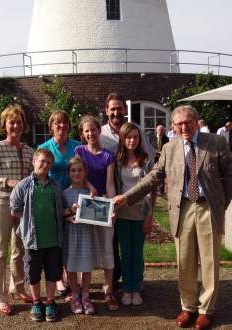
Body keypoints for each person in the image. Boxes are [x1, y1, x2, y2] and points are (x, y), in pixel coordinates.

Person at [114, 105, 232, 330]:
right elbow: (153, 177)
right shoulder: (170, 148)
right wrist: (127, 197)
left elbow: (229, 175)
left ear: (196, 121)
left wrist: (222, 204)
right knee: (184, 261)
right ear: (173, 127)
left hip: (208, 207)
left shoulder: (215, 142)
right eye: (178, 124)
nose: (183, 127)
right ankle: (188, 307)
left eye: (187, 122)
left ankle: (206, 310)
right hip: (182, 208)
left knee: (209, 262)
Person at [0, 104, 33, 316]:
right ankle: (1, 297)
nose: (16, 125)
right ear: (5, 126)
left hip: (22, 206)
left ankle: (17, 287)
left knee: (20, 249)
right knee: (0, 252)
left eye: (19, 122)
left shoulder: (29, 150)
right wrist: (7, 181)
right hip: (1, 203)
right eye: (12, 122)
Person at [99, 92, 155, 289]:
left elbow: (150, 166)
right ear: (106, 111)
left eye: (119, 108)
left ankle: (134, 281)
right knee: (112, 244)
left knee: (134, 248)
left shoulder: (136, 130)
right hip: (108, 196)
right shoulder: (100, 134)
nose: (116, 112)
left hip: (135, 201)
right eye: (112, 108)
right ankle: (114, 281)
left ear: (125, 110)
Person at [38, 110, 95, 296]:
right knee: (58, 239)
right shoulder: (44, 147)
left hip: (75, 196)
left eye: (64, 123)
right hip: (54, 197)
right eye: (57, 123)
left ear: (69, 126)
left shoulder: (77, 146)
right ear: (51, 126)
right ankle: (61, 279)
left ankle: (74, 279)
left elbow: (83, 169)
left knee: (73, 238)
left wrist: (89, 186)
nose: (61, 127)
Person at [10, 149, 63, 322]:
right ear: (33, 162)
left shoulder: (55, 185)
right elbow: (15, 208)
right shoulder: (24, 185)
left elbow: (60, 209)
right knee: (33, 274)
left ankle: (49, 302)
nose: (45, 165)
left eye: (48, 162)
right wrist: (28, 223)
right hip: (33, 241)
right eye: (42, 161)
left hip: (53, 239)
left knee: (53, 273)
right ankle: (36, 302)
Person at [75, 115, 119, 311]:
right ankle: (83, 292)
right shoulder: (79, 151)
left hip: (102, 206)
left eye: (93, 130)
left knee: (107, 249)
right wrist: (91, 187)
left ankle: (108, 290)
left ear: (99, 131)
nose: (90, 133)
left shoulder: (108, 155)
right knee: (85, 249)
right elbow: (78, 175)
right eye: (86, 131)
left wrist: (112, 207)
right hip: (84, 206)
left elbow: (110, 184)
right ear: (83, 134)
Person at [115, 122, 154, 306]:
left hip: (140, 213)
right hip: (122, 214)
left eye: (135, 137)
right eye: (128, 137)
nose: (132, 140)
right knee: (125, 253)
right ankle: (127, 288)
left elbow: (152, 190)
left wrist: (149, 216)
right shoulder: (117, 160)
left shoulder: (146, 160)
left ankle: (135, 289)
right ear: (123, 139)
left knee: (137, 253)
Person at [62, 156, 100, 315]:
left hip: (86, 234)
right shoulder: (64, 193)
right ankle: (75, 296)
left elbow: (97, 213)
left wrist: (101, 208)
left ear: (85, 172)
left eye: (80, 170)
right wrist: (69, 213)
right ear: (69, 173)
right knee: (71, 267)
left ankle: (85, 296)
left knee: (86, 267)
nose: (77, 173)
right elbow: (60, 213)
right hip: (71, 235)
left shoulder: (90, 193)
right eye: (73, 170)